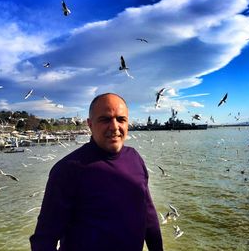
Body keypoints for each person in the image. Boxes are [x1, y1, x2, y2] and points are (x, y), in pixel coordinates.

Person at [30, 93, 163, 251]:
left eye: (121, 119)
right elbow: (44, 239)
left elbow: (148, 214)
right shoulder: (67, 169)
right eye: (105, 119)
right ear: (90, 124)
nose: (114, 127)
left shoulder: (135, 158)